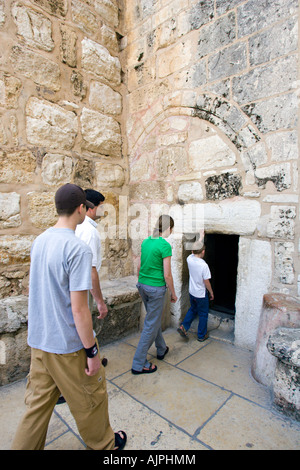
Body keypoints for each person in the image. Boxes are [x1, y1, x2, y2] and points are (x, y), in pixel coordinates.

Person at [11, 183, 126, 450]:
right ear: (81, 209)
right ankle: (105, 445)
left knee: (36, 409)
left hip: (39, 341)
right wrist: (91, 352)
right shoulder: (78, 249)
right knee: (92, 398)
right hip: (67, 345)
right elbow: (79, 308)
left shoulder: (40, 241)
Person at [131, 215, 177, 375]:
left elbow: (139, 266)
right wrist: (173, 293)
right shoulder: (165, 245)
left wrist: (141, 282)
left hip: (142, 285)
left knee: (153, 318)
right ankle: (138, 363)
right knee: (150, 324)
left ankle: (161, 348)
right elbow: (167, 275)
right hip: (156, 288)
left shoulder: (146, 241)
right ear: (169, 228)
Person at [75, 189, 108, 367]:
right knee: (85, 325)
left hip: (77, 285)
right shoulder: (89, 231)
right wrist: (100, 301)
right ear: (91, 207)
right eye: (101, 206)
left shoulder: (79, 226)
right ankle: (89, 361)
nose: (103, 210)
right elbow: (91, 269)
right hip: (84, 286)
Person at [177, 241, 214, 342]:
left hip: (192, 292)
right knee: (203, 314)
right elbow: (206, 282)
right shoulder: (204, 265)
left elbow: (193, 253)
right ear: (203, 251)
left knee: (193, 309)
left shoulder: (189, 259)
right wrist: (211, 292)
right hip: (201, 294)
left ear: (192, 251)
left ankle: (184, 327)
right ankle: (201, 335)